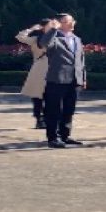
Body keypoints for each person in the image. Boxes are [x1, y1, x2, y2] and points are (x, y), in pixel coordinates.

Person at [36, 13, 87, 149]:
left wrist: (83, 78)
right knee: (54, 110)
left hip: (74, 80)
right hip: (57, 79)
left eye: (72, 21)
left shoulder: (76, 39)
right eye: (67, 21)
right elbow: (43, 44)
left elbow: (81, 60)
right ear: (59, 23)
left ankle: (65, 135)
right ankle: (53, 137)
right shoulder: (54, 37)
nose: (72, 23)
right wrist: (53, 29)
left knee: (69, 110)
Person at [15, 20, 51, 128]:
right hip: (39, 70)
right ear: (43, 27)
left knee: (52, 96)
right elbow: (20, 37)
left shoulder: (57, 38)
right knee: (38, 95)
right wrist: (32, 29)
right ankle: (39, 118)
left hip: (54, 69)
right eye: (49, 25)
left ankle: (50, 118)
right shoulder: (35, 39)